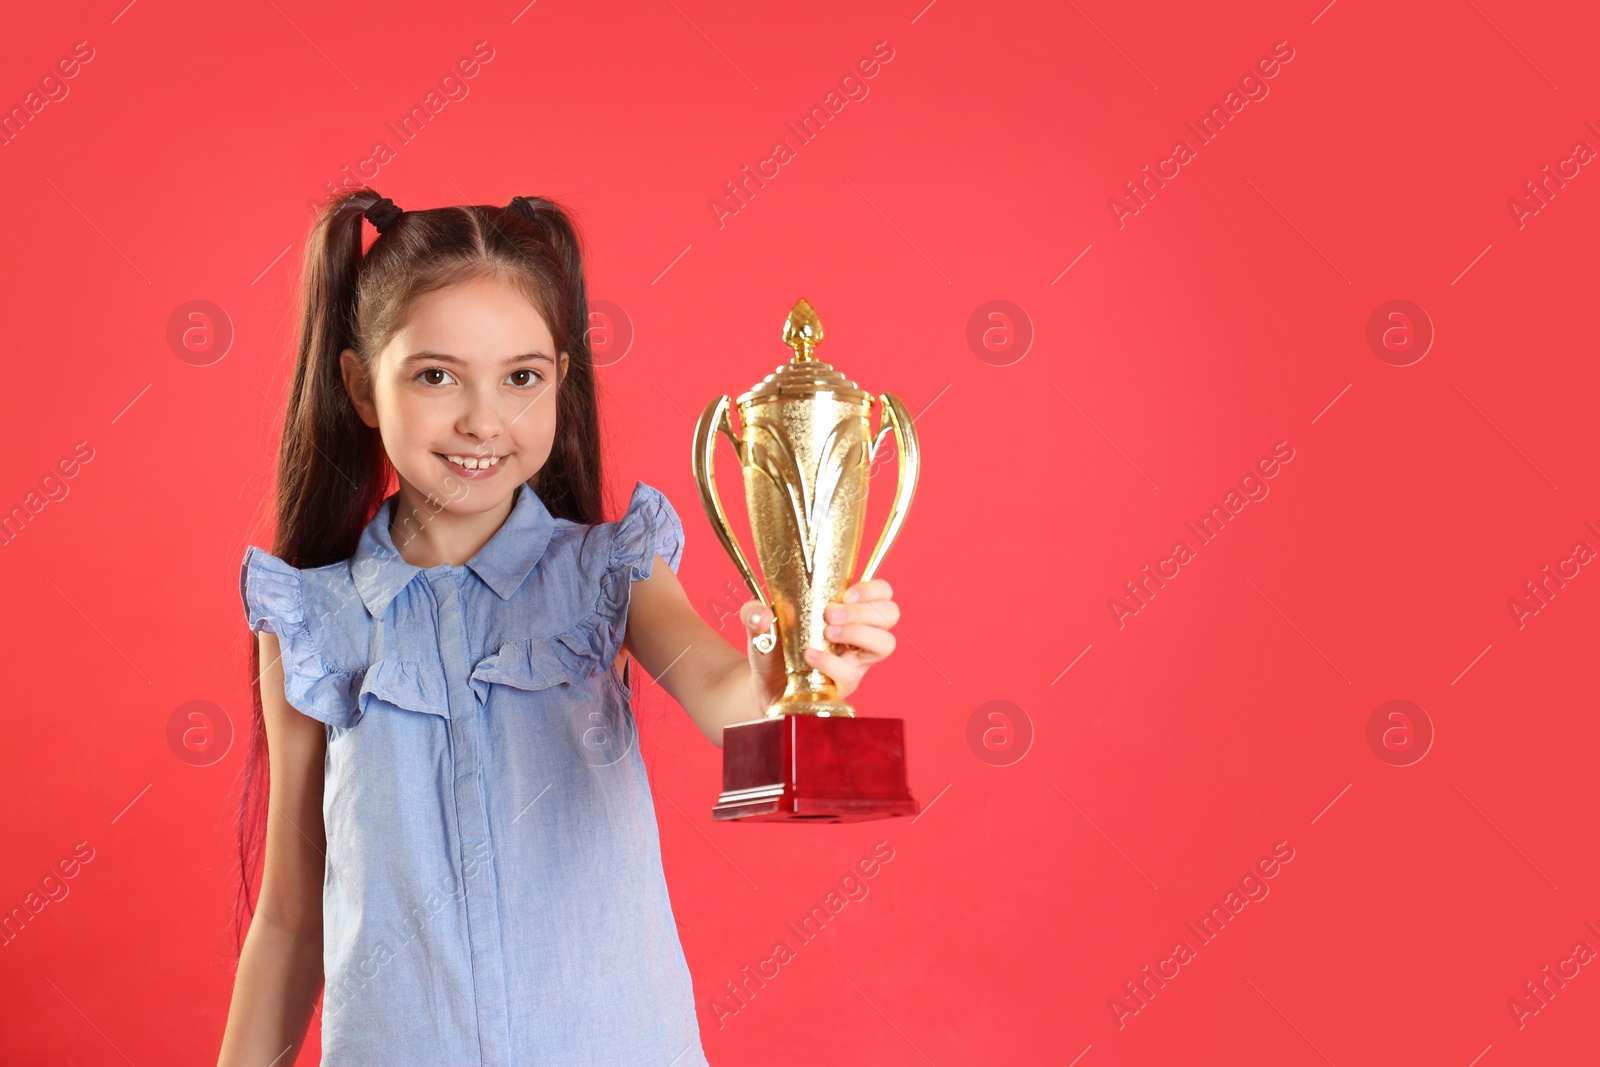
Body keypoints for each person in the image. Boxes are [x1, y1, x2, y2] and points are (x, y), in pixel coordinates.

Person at [214, 191, 903, 1066]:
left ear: (560, 382)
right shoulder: (311, 623)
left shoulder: (610, 573)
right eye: (435, 375)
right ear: (359, 385)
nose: (482, 419)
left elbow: (729, 701)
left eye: (521, 376)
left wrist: (804, 668)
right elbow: (288, 916)